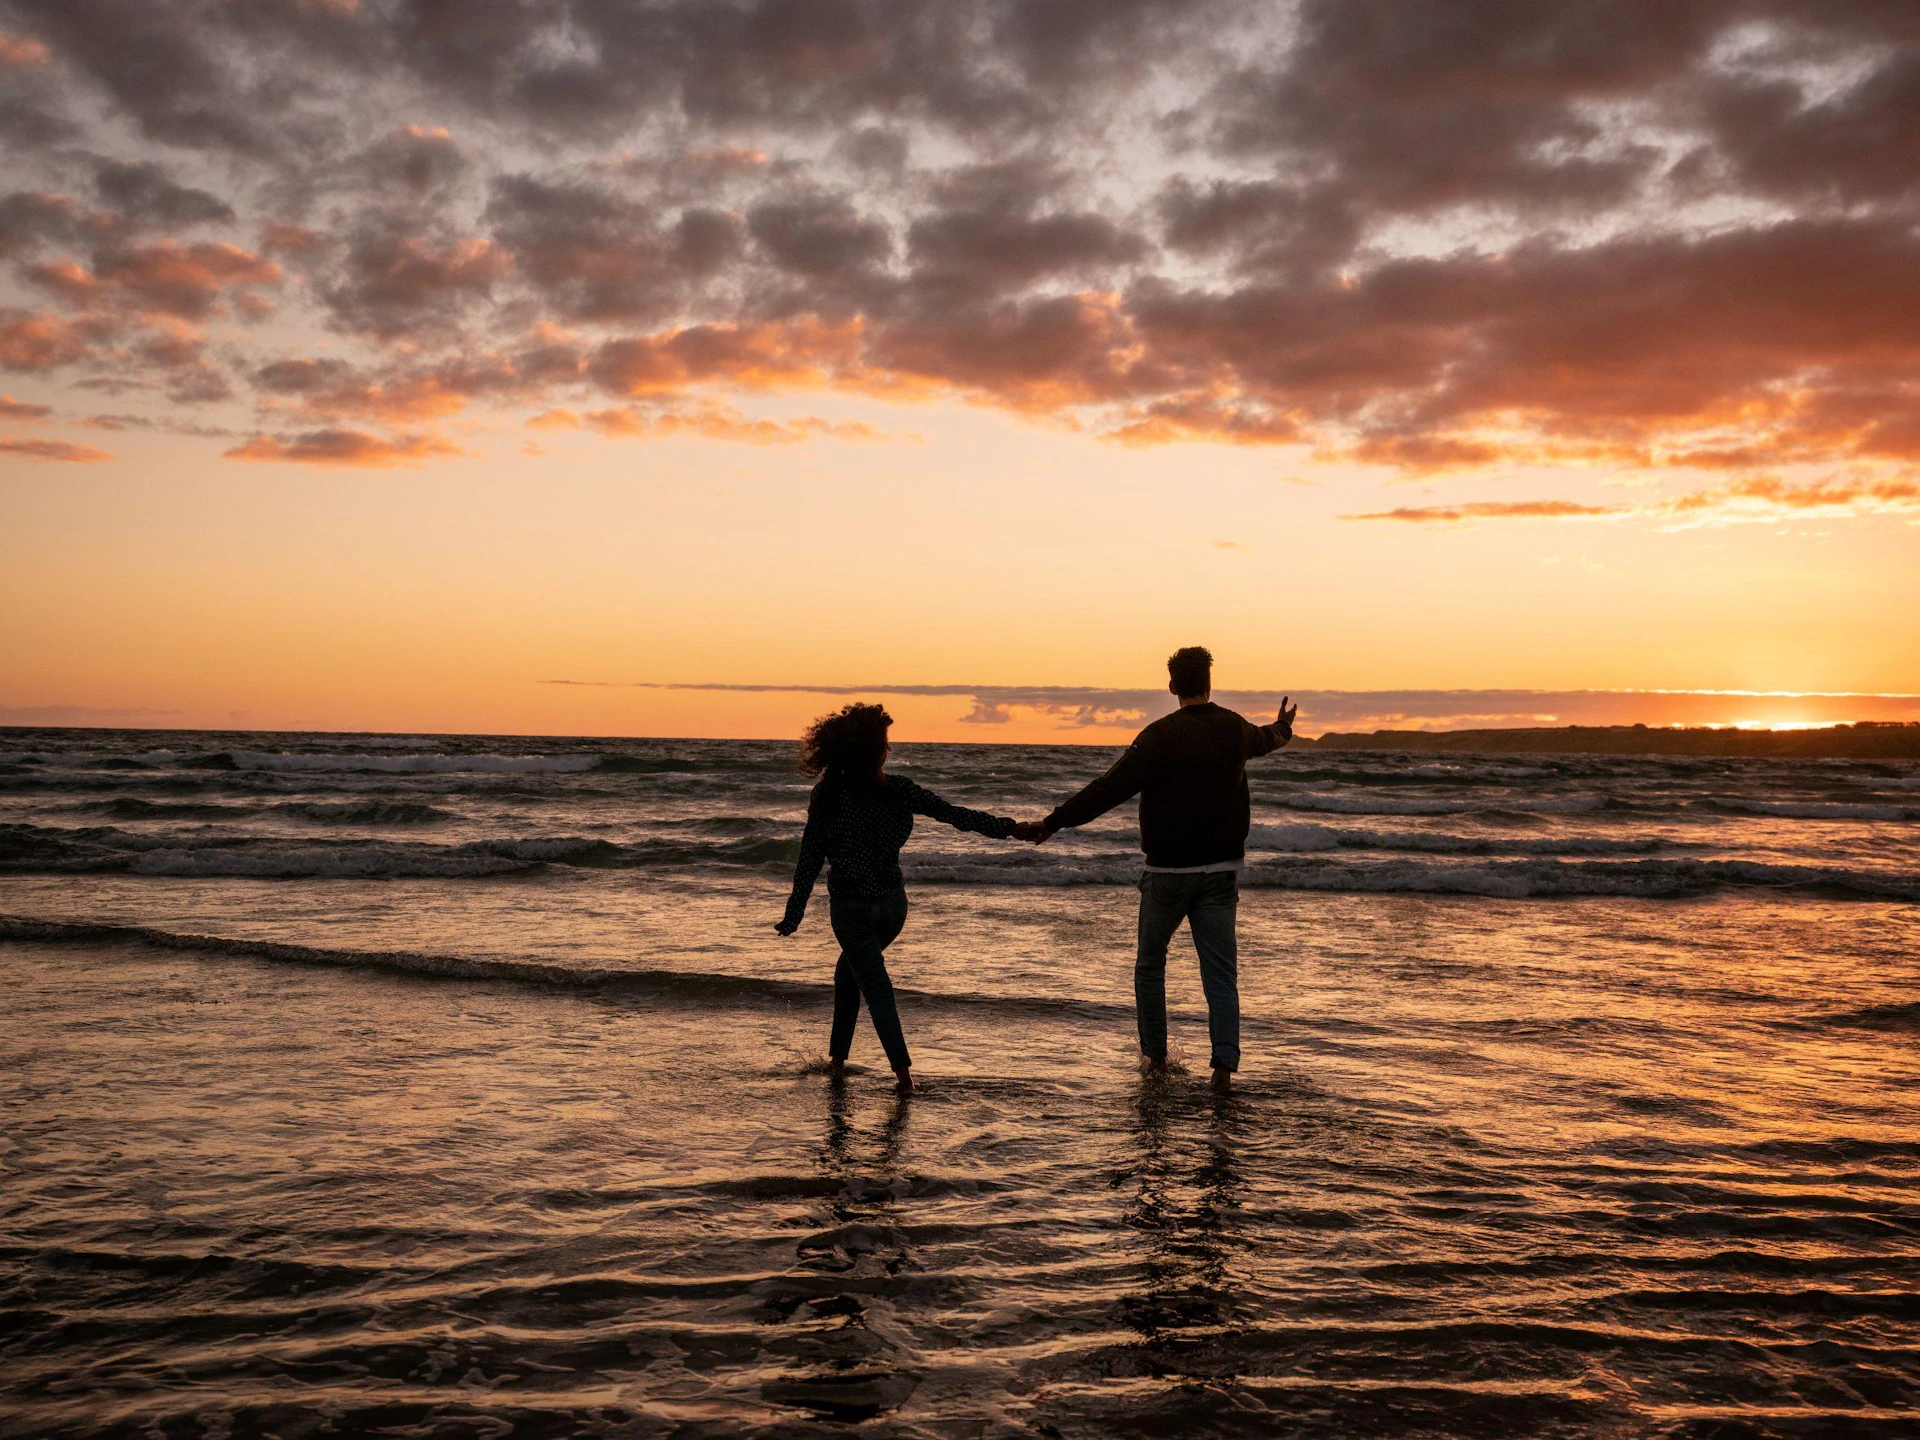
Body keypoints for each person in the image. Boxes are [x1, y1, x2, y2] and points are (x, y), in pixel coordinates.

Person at [1019, 647, 1297, 1093]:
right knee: (1221, 974)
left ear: (1172, 686)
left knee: (1151, 965)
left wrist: (1053, 823)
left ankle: (1156, 1060)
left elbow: (1109, 789)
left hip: (1167, 874)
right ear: (1209, 682)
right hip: (1221, 873)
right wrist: (1285, 725)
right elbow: (1269, 738)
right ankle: (1223, 1069)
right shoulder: (1233, 728)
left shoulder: (1158, 736)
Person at [775, 702, 1019, 1095]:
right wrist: (1012, 829)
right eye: (885, 743)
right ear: (875, 751)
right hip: (892, 907)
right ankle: (837, 1063)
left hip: (852, 910)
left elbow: (810, 856)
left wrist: (795, 910)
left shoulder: (828, 795)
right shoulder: (898, 790)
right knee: (848, 974)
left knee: (874, 984)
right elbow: (955, 815)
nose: (889, 749)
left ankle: (905, 1080)